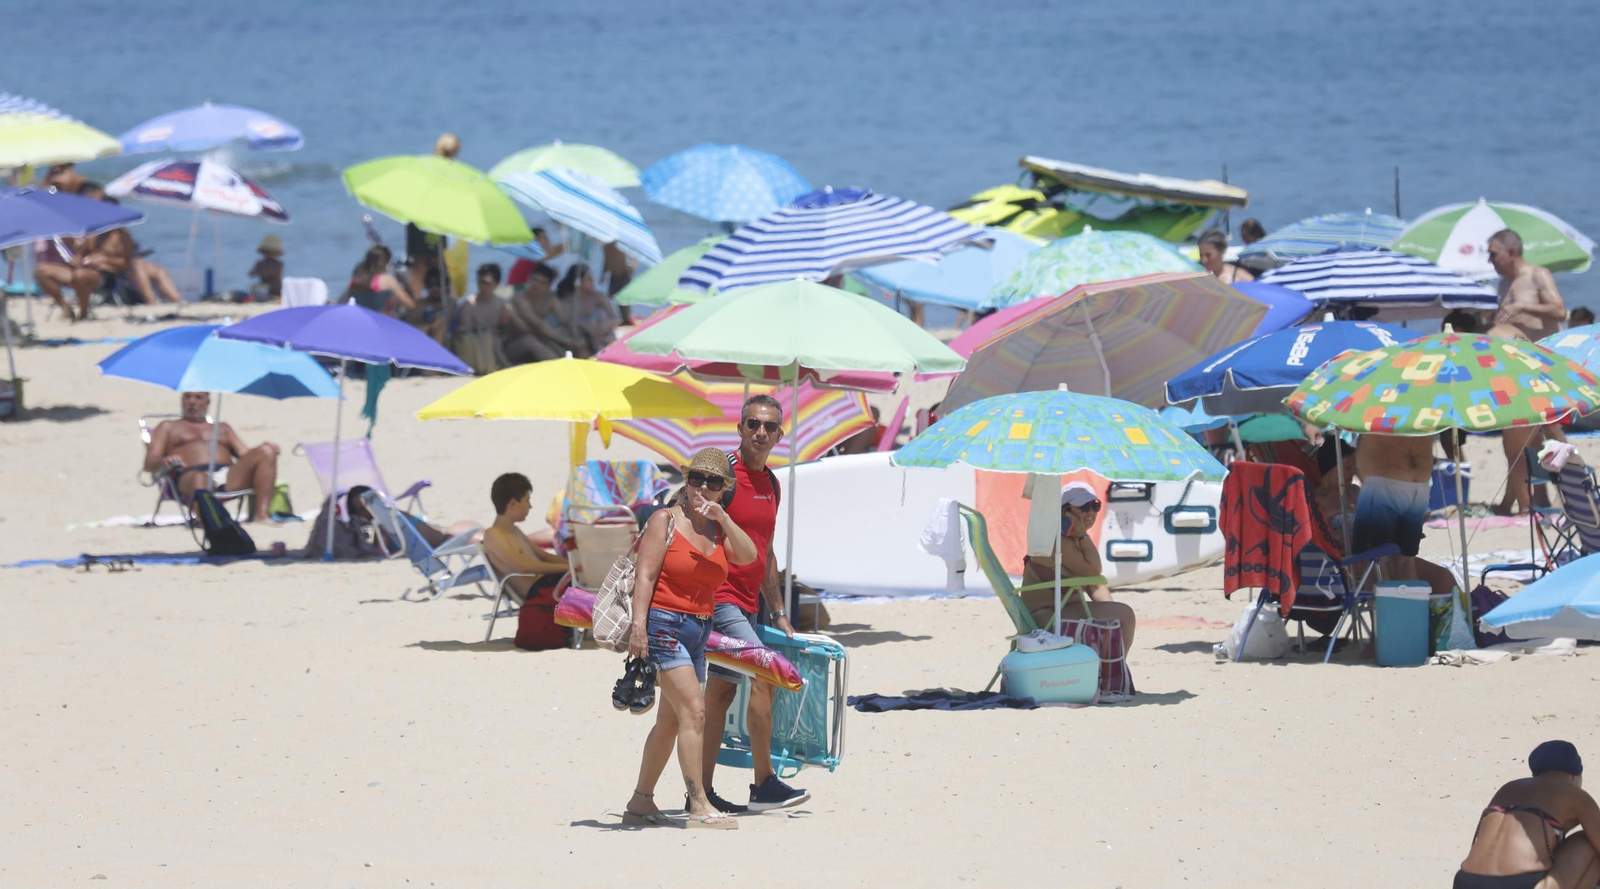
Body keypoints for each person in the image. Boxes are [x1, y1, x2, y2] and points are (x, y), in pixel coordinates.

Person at [623, 448, 758, 829]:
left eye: (713, 481)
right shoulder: (664, 520)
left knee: (671, 721)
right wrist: (638, 627)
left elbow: (747, 557)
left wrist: (723, 517)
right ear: (686, 480)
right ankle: (698, 803)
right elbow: (645, 577)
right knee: (696, 711)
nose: (703, 486)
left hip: (699, 630)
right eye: (696, 478)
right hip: (663, 626)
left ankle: (640, 801)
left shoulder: (716, 528)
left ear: (722, 489)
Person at [699, 395, 810, 815]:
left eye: (769, 426)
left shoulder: (773, 484)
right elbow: (686, 515)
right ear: (740, 428)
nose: (760, 432)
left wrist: (779, 611)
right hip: (719, 599)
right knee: (766, 673)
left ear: (781, 434)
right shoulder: (722, 474)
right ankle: (763, 783)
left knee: (720, 695)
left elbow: (766, 553)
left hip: (748, 604)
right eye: (752, 424)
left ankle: (703, 792)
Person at [1455, 741, 1600, 889]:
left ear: (1535, 774)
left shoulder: (1507, 788)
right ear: (1574, 776)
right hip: (1520, 884)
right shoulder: (1575, 794)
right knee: (1588, 841)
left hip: (1465, 881)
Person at [1019, 483, 1138, 655]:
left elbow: (1094, 582)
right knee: (1125, 615)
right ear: (1064, 512)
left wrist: (1110, 611)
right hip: (1046, 617)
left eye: (1095, 506)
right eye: (1083, 507)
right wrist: (1082, 534)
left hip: (1054, 611)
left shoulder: (1061, 536)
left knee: (1113, 610)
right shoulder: (1058, 540)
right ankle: (1115, 672)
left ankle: (1110, 668)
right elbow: (1094, 569)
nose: (1090, 512)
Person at [142, 391, 281, 522]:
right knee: (200, 478)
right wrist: (164, 461)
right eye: (187, 397)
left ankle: (262, 514)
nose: (192, 402)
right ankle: (209, 524)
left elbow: (244, 454)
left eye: (198, 398)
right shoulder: (168, 427)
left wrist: (263, 448)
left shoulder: (222, 428)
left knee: (266, 451)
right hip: (189, 475)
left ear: (208, 402)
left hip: (227, 475)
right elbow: (149, 463)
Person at [480, 472, 571, 607]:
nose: (530, 506)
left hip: (549, 584)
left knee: (595, 584)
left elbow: (543, 556)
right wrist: (568, 568)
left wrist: (575, 567)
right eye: (527, 500)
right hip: (539, 591)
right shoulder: (493, 535)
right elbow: (522, 566)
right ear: (513, 503)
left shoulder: (514, 530)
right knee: (594, 590)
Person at [1491, 229, 1567, 344]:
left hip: (1547, 352)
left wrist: (1522, 306)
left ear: (1511, 252)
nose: (1489, 260)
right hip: (1522, 355)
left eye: (1493, 254)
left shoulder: (1538, 274)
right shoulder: (1503, 284)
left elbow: (1560, 312)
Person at [505, 263, 580, 363]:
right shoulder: (519, 299)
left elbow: (566, 319)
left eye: (542, 282)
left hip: (539, 339)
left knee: (557, 340)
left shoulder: (550, 298)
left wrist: (576, 337)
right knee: (531, 340)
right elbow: (536, 324)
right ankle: (559, 368)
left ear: (548, 286)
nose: (536, 285)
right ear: (528, 279)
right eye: (534, 280)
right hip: (512, 346)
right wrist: (565, 340)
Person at [452, 263, 520, 374]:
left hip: (500, 344)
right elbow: (464, 334)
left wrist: (509, 319)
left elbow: (512, 329)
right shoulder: (469, 305)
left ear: (496, 285)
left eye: (487, 283)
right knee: (490, 340)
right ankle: (508, 368)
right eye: (480, 282)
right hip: (478, 346)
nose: (482, 287)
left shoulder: (501, 304)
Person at [559, 263, 620, 356]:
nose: (592, 281)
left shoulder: (598, 297)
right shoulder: (568, 301)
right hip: (581, 337)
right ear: (578, 282)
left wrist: (603, 326)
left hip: (603, 334)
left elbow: (616, 319)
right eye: (588, 278)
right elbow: (566, 324)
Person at [342, 245, 414, 318]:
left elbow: (344, 301)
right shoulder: (387, 280)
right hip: (381, 320)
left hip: (360, 318)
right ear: (385, 263)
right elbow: (410, 304)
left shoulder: (356, 279)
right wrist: (403, 281)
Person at [249, 234, 285, 300]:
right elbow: (251, 274)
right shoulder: (260, 263)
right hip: (265, 288)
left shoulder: (278, 264)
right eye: (267, 252)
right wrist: (257, 272)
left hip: (276, 289)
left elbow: (276, 273)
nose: (269, 254)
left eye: (271, 252)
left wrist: (263, 272)